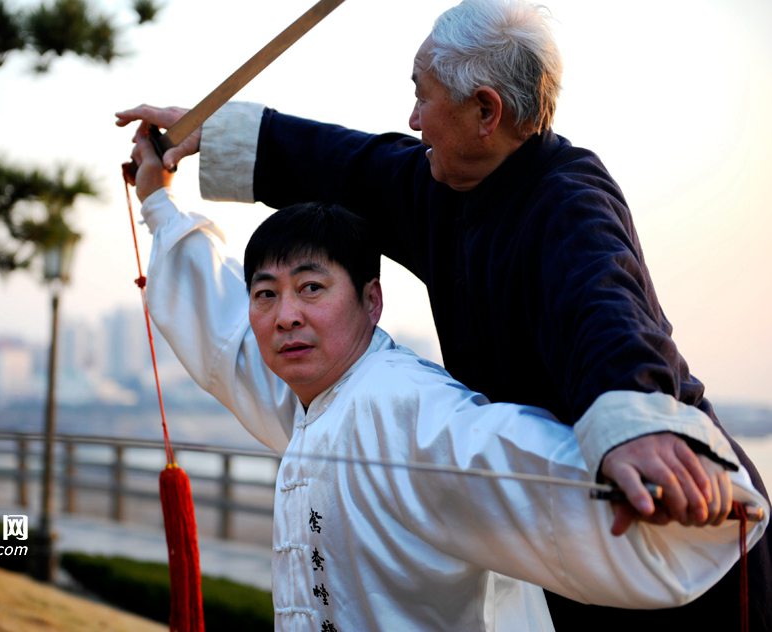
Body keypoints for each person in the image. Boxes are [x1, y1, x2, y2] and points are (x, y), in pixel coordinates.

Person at [115, 0, 771, 627]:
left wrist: (637, 421)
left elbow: (606, 306)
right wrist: (213, 132)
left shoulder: (568, 198)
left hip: (654, 517)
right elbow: (354, 164)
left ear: (485, 111)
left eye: (424, 96)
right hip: (542, 519)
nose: (413, 117)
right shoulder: (446, 184)